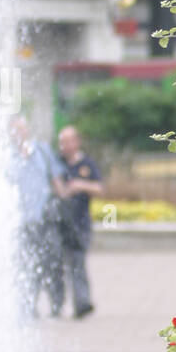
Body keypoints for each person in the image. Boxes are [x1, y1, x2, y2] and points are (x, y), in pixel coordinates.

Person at [8, 117, 65, 318]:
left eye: (21, 129)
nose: (18, 134)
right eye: (14, 130)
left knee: (52, 263)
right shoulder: (7, 157)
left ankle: (57, 305)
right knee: (25, 266)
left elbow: (56, 178)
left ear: (28, 130)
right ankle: (29, 307)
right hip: (21, 222)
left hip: (45, 218)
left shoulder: (42, 151)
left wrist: (64, 198)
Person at [56, 125, 103, 318]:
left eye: (67, 141)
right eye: (61, 142)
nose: (64, 146)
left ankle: (81, 304)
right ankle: (56, 305)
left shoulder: (87, 164)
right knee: (55, 266)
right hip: (59, 223)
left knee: (77, 263)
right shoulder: (57, 164)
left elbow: (100, 189)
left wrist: (80, 185)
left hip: (80, 223)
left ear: (76, 142)